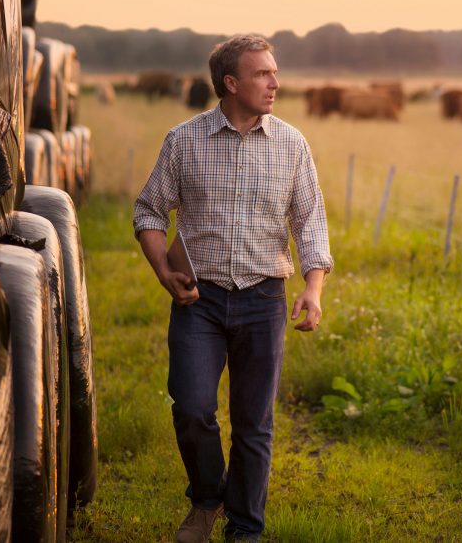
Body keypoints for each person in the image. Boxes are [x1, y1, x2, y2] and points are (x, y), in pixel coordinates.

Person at [133, 35, 333, 543]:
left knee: (254, 423)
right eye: (263, 73)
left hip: (264, 298)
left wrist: (313, 288)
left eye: (274, 72)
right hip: (200, 301)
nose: (275, 82)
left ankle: (245, 529)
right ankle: (207, 497)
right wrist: (163, 271)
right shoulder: (184, 140)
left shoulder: (292, 144)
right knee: (193, 407)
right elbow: (149, 210)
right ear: (231, 83)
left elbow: (310, 222)